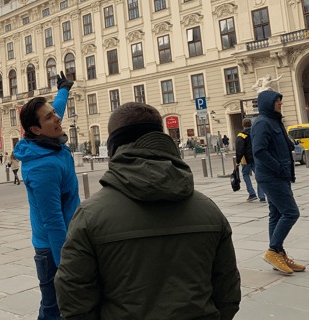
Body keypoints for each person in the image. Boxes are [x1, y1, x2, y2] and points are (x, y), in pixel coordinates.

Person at [55, 102, 241, 320]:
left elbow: (74, 297)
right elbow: (228, 293)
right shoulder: (209, 210)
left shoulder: (89, 215)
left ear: (114, 145)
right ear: (160, 138)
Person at [14, 71, 80, 320]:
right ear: (35, 128)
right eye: (50, 117)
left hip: (67, 236)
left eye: (54, 113)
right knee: (54, 309)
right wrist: (66, 266)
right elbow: (53, 221)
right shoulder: (43, 167)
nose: (57, 118)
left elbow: (56, 111)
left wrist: (64, 90)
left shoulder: (45, 137)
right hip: (53, 247)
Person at [252, 90, 305, 274]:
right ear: (268, 102)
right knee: (291, 213)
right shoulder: (262, 123)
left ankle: (278, 254)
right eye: (277, 101)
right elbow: (259, 150)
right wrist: (279, 168)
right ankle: (273, 250)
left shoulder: (274, 121)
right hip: (272, 176)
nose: (280, 103)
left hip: (279, 175)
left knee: (276, 214)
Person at [235, 118, 265, 202]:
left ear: (243, 125)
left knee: (245, 174)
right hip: (256, 157)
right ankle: (262, 196)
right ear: (251, 124)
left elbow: (239, 149)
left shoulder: (241, 135)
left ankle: (252, 194)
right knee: (259, 175)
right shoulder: (255, 133)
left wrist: (238, 161)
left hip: (246, 159)